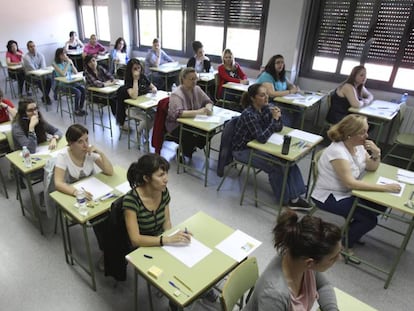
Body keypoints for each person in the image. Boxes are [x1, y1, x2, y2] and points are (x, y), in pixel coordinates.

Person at [311, 114, 400, 259]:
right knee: (369, 219)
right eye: (363, 132)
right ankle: (345, 244)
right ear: (349, 134)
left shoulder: (357, 146)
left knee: (379, 206)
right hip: (330, 196)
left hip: (348, 191)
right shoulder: (337, 152)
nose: (366, 135)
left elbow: (371, 167)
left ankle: (351, 230)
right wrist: (386, 188)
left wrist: (376, 154)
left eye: (366, 131)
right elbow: (350, 183)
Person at [123, 153, 194, 311]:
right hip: (142, 247)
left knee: (186, 255)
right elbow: (135, 239)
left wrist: (173, 237)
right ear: (147, 178)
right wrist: (166, 241)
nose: (166, 179)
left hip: (161, 240)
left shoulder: (163, 191)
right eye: (161, 175)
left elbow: (166, 221)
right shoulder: (131, 200)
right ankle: (175, 303)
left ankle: (199, 292)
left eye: (166, 173)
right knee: (175, 269)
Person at [243, 209, 342, 311]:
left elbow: (323, 286)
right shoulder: (274, 296)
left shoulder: (299, 259)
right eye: (333, 258)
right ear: (310, 263)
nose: (340, 258)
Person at [232, 83, 310, 209]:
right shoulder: (249, 114)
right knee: (277, 166)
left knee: (289, 161)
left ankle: (297, 192)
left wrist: (278, 118)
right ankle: (286, 200)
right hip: (243, 150)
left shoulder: (266, 108)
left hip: (256, 146)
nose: (266, 98)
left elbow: (278, 128)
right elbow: (262, 138)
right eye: (262, 95)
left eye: (267, 94)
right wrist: (273, 121)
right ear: (253, 98)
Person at [54, 124, 113, 270]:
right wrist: (76, 193)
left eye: (87, 139)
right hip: (74, 196)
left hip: (92, 192)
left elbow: (109, 171)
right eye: (80, 142)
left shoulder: (89, 152)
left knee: (114, 211)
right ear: (70, 144)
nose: (85, 145)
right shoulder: (63, 156)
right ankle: (107, 252)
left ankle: (115, 247)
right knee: (99, 219)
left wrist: (100, 152)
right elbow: (58, 183)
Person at [166, 67, 214, 158]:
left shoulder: (197, 89)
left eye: (196, 78)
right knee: (191, 134)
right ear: (183, 79)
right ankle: (185, 150)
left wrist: (208, 108)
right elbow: (178, 114)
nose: (194, 81)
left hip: (194, 121)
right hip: (176, 124)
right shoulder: (176, 94)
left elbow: (208, 101)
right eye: (191, 79)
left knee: (210, 130)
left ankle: (190, 147)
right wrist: (198, 112)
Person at [256, 54, 300, 127]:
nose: (281, 65)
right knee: (286, 116)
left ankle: (292, 130)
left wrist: (293, 87)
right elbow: (271, 94)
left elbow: (289, 84)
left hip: (280, 100)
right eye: (278, 62)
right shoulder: (266, 75)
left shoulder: (281, 75)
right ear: (272, 64)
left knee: (298, 110)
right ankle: (284, 129)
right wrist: (290, 92)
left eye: (282, 62)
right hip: (268, 101)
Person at [116, 58, 157, 131]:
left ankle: (145, 134)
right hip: (132, 108)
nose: (137, 70)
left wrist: (153, 89)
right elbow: (134, 96)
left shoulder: (143, 77)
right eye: (135, 69)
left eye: (139, 68)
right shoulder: (129, 81)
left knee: (156, 115)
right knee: (146, 119)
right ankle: (139, 134)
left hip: (144, 105)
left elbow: (153, 86)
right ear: (130, 70)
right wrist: (135, 80)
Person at [52, 48, 86, 116]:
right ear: (60, 55)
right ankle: (76, 110)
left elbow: (76, 72)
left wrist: (72, 64)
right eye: (64, 54)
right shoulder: (55, 64)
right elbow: (63, 74)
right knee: (78, 92)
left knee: (83, 90)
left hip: (71, 83)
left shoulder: (67, 62)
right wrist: (68, 63)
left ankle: (80, 108)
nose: (66, 55)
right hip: (62, 85)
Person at [23, 41, 53, 105]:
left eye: (34, 46)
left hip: (40, 74)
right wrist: (40, 70)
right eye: (31, 47)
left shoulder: (40, 55)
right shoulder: (26, 57)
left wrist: (41, 71)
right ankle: (47, 97)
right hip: (30, 76)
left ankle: (44, 96)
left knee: (49, 79)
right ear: (28, 48)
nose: (33, 48)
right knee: (40, 81)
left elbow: (43, 67)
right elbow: (33, 69)